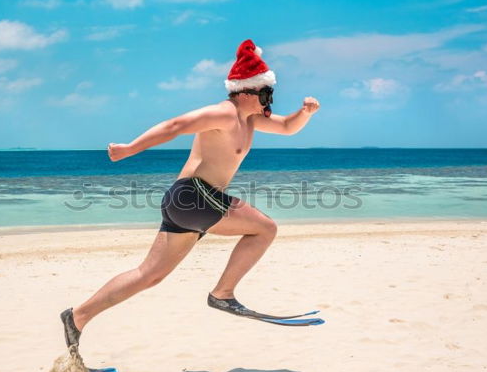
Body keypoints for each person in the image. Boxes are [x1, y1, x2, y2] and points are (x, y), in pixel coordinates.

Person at [61, 39, 320, 348]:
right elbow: (175, 125)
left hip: (187, 203)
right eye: (266, 93)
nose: (269, 100)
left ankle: (77, 317)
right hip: (193, 196)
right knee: (265, 228)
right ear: (246, 92)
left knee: (150, 275)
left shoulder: (250, 120)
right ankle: (222, 294)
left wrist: (305, 112)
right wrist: (130, 148)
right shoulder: (223, 114)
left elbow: (289, 126)